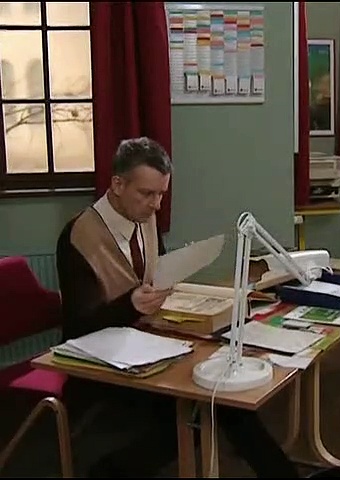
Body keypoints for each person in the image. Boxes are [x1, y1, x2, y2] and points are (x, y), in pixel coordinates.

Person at [56, 137, 299, 478]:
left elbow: (155, 277)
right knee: (210, 406)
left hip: (148, 343)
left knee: (217, 395)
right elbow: (78, 329)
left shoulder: (144, 217)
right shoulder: (79, 236)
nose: (156, 205)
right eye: (147, 194)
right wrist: (130, 305)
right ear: (117, 184)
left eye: (161, 194)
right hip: (103, 362)